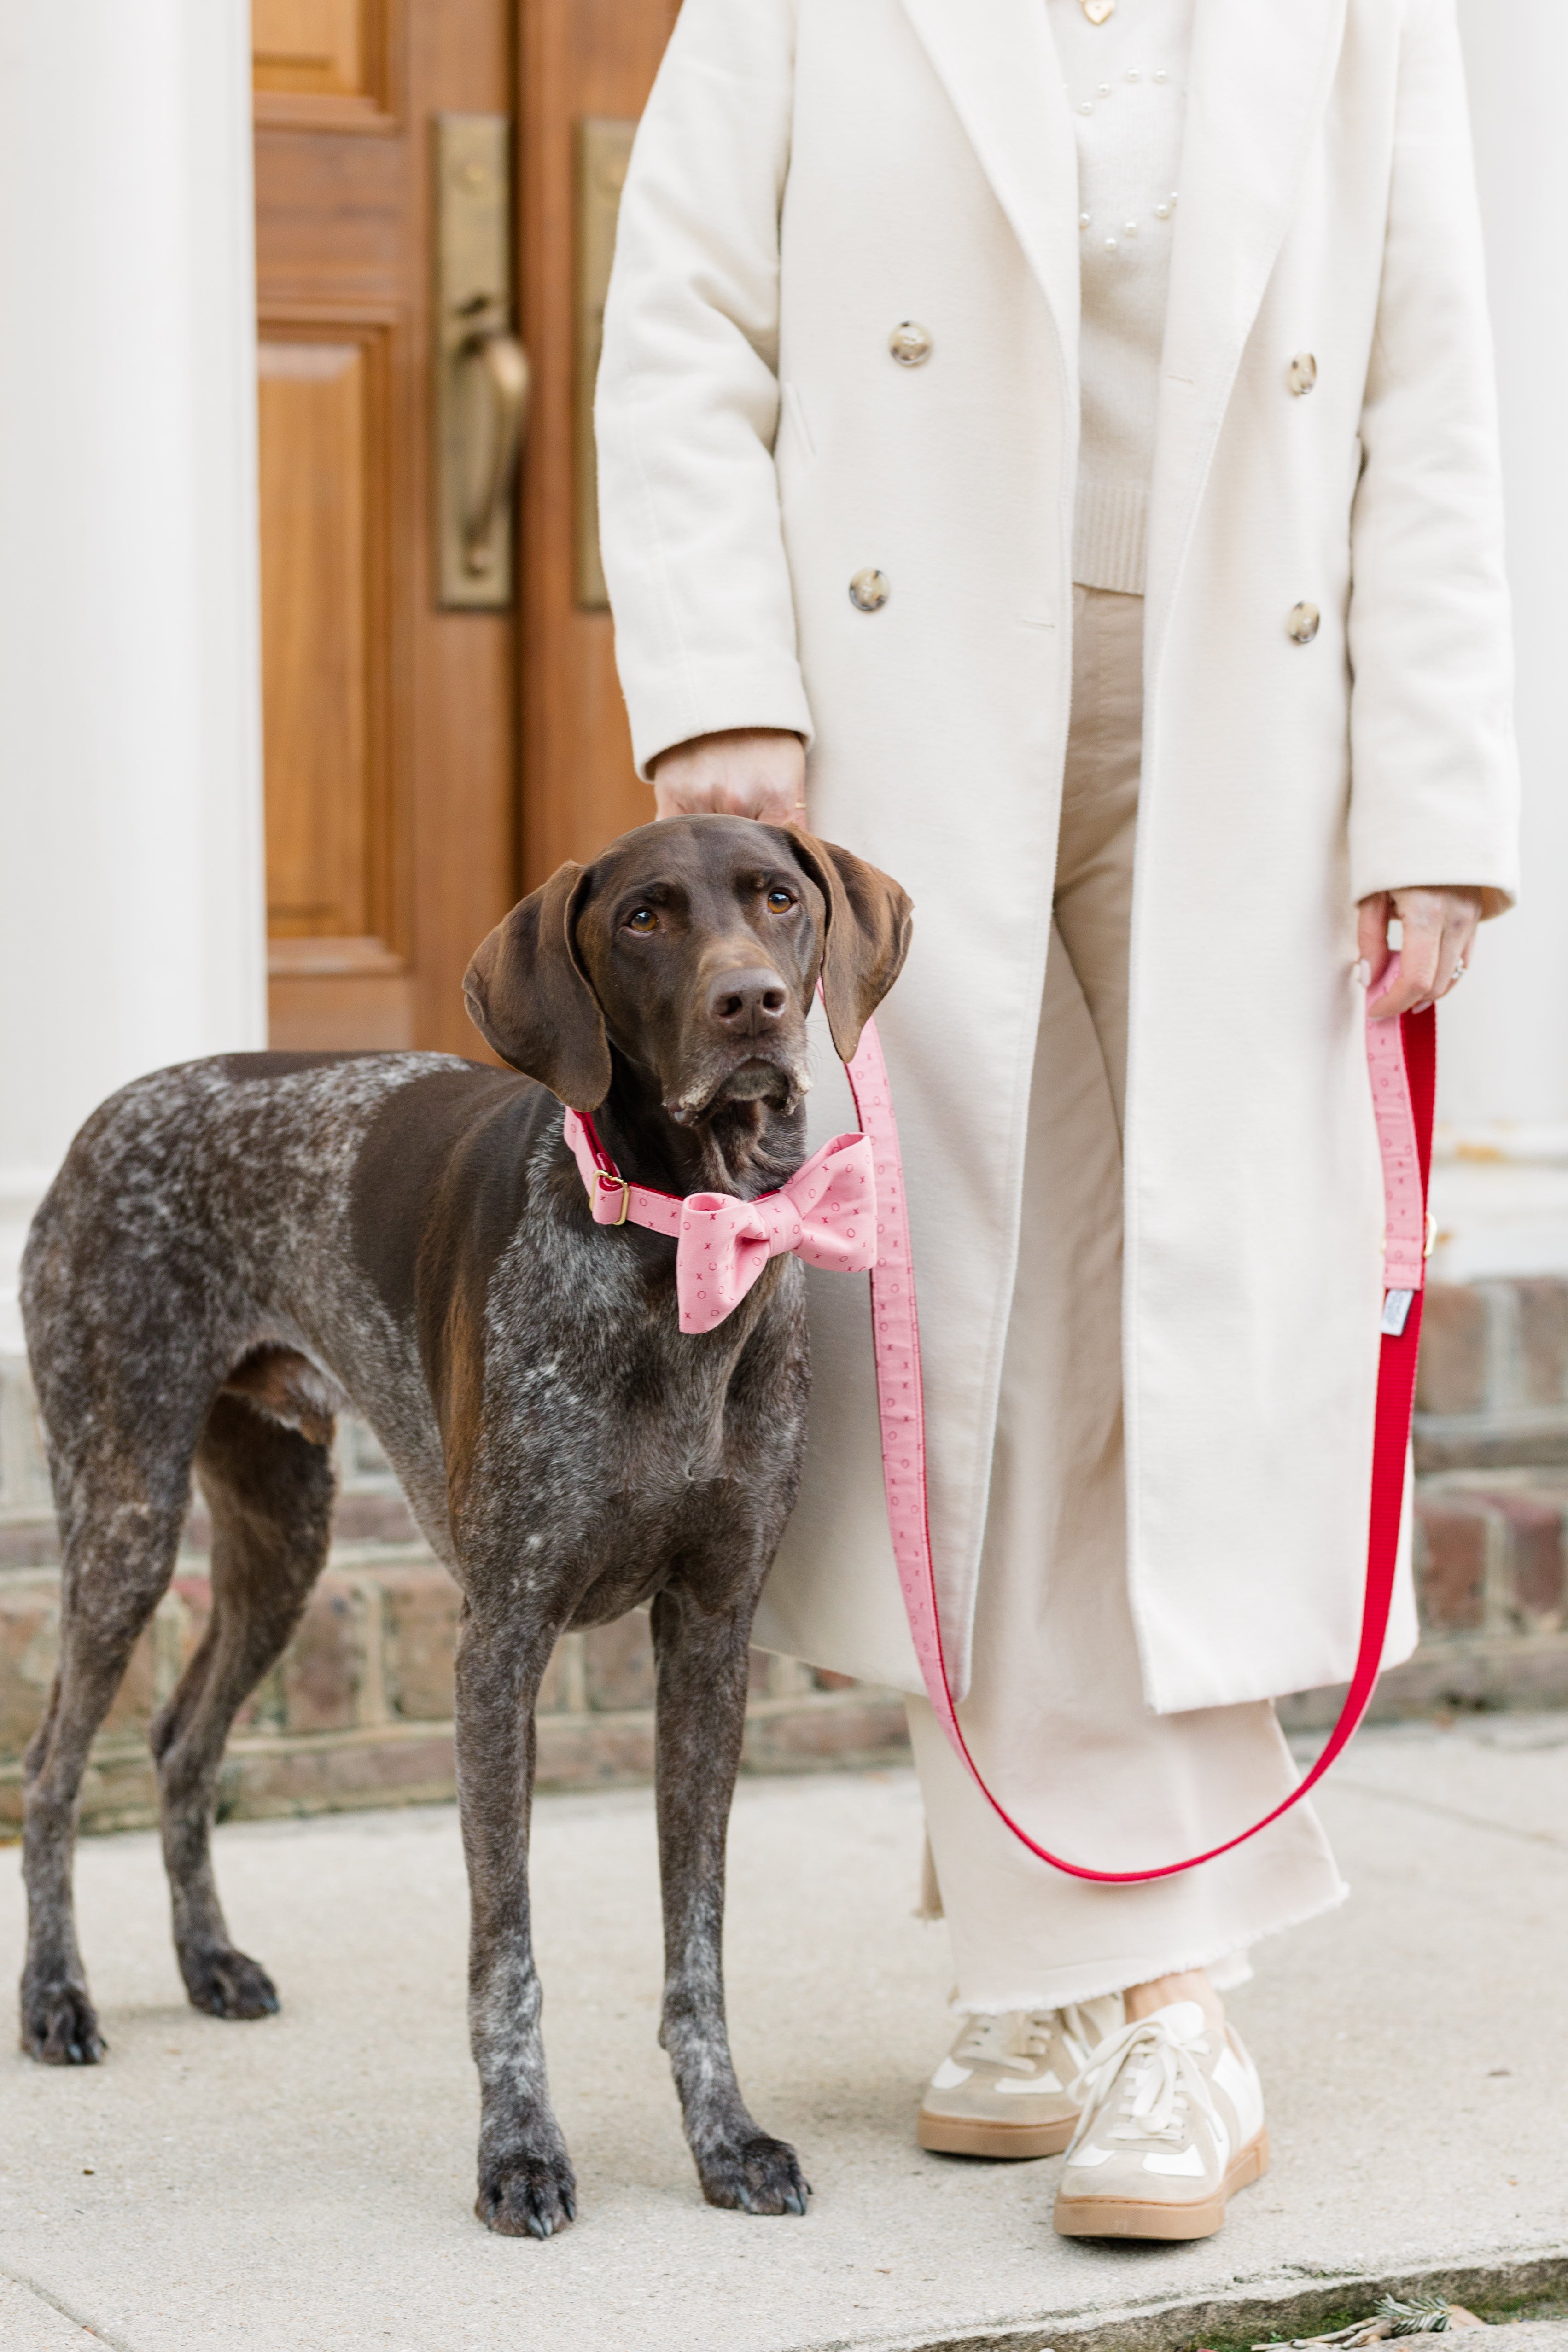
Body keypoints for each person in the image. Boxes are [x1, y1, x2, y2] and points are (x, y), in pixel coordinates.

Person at [594, 0, 1518, 2241]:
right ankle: (1136, 1972)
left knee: (1170, 1340)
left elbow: (1426, 386)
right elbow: (686, 312)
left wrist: (1438, 800)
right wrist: (724, 690)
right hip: (905, 728)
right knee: (979, 1333)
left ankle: (1084, 1974)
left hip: (1250, 739)